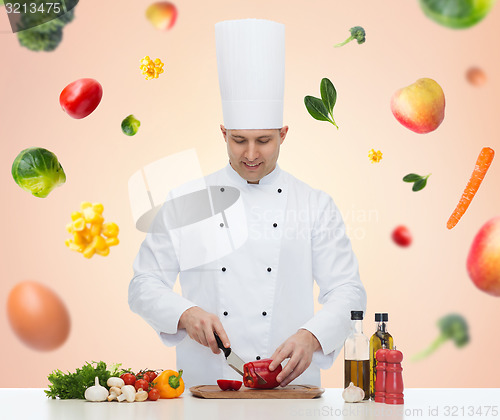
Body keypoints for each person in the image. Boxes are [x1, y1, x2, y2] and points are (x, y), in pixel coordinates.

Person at [128, 19, 366, 388]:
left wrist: (313, 335)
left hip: (293, 391)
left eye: (264, 141)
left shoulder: (314, 204)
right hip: (206, 387)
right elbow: (143, 284)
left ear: (283, 135)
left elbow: (349, 292)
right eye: (238, 140)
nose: (251, 154)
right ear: (223, 133)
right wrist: (184, 313)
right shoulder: (187, 200)